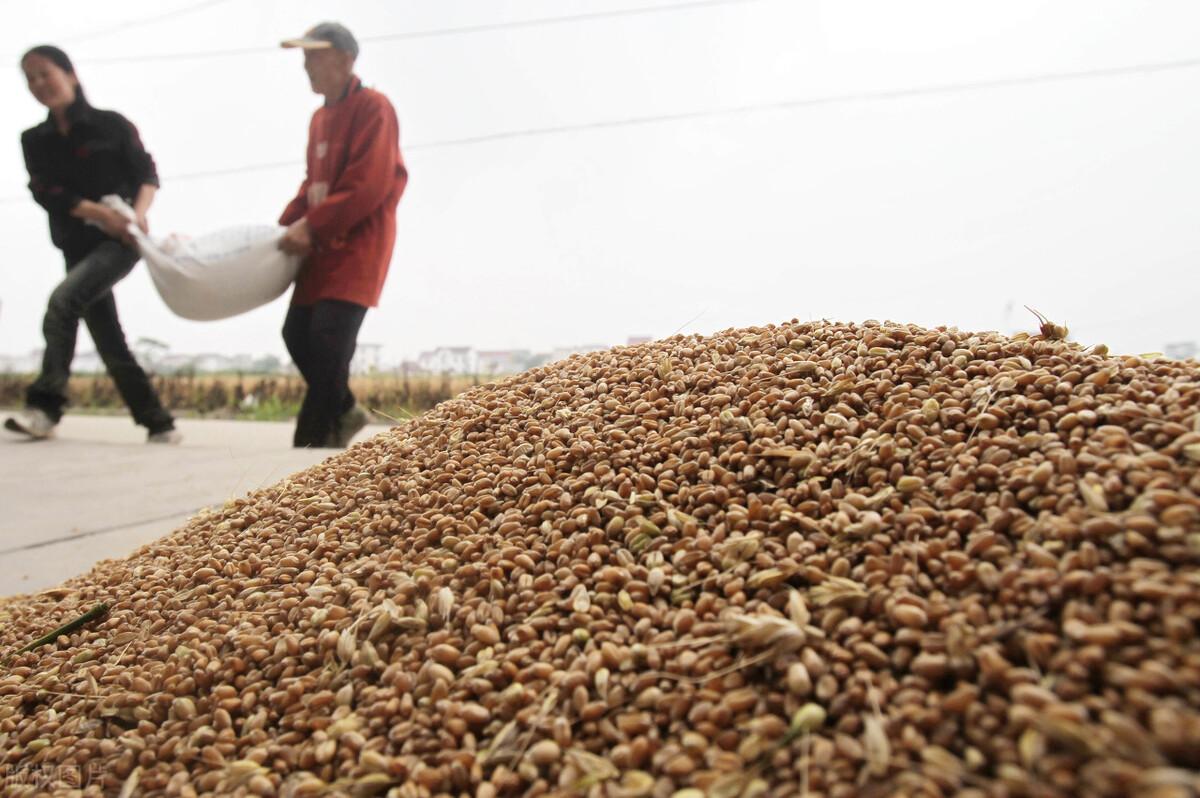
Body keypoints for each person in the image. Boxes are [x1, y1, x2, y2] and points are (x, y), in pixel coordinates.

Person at [5, 45, 179, 443]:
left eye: (44, 73)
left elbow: (147, 174)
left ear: (70, 73)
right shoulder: (35, 139)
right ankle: (158, 422)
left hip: (120, 243)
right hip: (76, 244)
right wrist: (101, 214)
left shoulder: (111, 125)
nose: (38, 84)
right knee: (107, 336)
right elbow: (47, 191)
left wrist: (134, 215)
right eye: (29, 79)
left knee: (62, 303)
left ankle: (44, 407)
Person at [277, 22, 407, 448]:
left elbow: (367, 184)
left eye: (315, 56)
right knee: (296, 332)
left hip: (357, 247)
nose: (306, 65)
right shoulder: (319, 118)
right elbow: (313, 184)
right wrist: (285, 224)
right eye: (305, 57)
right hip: (320, 249)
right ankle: (346, 410)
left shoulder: (374, 108)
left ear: (346, 60)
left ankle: (312, 442)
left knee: (330, 339)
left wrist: (311, 226)